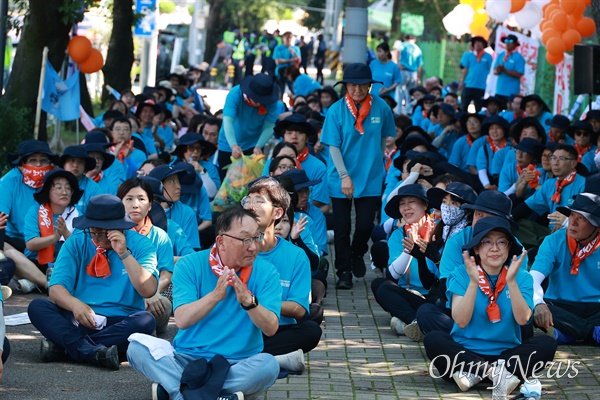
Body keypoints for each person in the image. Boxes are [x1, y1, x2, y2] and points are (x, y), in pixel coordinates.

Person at [126, 207, 281, 399]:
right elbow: (182, 320)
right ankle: (214, 394)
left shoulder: (267, 272)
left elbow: (271, 328)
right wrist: (215, 295)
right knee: (136, 348)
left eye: (256, 237)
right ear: (221, 241)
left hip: (238, 362)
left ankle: (179, 390)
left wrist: (249, 302)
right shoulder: (189, 264)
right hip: (186, 359)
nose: (253, 247)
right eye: (245, 239)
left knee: (269, 365)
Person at [424, 216, 557, 394]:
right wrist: (473, 282)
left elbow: (524, 319)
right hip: (464, 353)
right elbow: (461, 321)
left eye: (501, 242)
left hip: (507, 355)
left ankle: (476, 374)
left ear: (509, 248)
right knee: (434, 340)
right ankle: (495, 374)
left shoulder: (521, 276)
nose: (495, 248)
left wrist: (511, 283)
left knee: (546, 344)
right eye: (487, 242)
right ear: (477, 249)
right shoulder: (461, 273)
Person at [27, 194, 158, 370]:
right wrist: (75, 305)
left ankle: (67, 348)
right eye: (94, 231)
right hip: (79, 318)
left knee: (146, 321)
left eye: (106, 231)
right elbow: (56, 289)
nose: (99, 237)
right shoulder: (76, 242)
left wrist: (124, 253)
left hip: (120, 321)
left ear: (120, 227)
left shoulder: (141, 244)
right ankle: (96, 352)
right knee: (37, 307)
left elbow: (148, 290)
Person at [320, 63, 396, 289]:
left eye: (363, 85)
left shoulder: (381, 107)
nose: (357, 90)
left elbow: (386, 137)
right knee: (342, 227)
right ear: (345, 86)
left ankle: (357, 253)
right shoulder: (336, 110)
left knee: (364, 226)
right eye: (352, 85)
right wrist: (344, 176)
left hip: (371, 175)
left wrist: (380, 160)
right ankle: (344, 271)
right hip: (340, 175)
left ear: (370, 86)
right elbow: (332, 146)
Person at [243, 178, 321, 370]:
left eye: (259, 201)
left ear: (278, 212)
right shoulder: (236, 246)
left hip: (277, 329)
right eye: (248, 201)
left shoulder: (296, 255)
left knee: (311, 330)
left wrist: (253, 303)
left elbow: (298, 309)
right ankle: (273, 359)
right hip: (241, 326)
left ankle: (247, 358)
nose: (251, 207)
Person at [531, 193, 600, 345]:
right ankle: (592, 333)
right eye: (571, 215)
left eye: (581, 218)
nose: (572, 222)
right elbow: (532, 279)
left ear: (596, 224)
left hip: (596, 308)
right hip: (559, 307)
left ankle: (568, 335)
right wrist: (539, 304)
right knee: (529, 305)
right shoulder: (554, 240)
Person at [372, 184, 439, 341]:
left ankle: (415, 320)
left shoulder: (439, 230)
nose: (406, 207)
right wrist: (408, 251)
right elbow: (393, 274)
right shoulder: (398, 235)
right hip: (408, 296)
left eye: (412, 202)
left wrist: (424, 253)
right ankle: (415, 322)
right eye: (402, 203)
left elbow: (436, 279)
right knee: (380, 286)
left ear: (425, 205)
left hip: (434, 297)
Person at [117, 178, 174, 335]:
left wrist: (152, 293)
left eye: (141, 199)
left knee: (164, 305)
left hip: (151, 297)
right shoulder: (113, 233)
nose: (135, 204)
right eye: (129, 199)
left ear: (149, 205)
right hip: (119, 295)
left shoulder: (160, 236)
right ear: (120, 203)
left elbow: (166, 274)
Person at [0, 139, 58, 292]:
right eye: (33, 160)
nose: (38, 165)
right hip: (16, 241)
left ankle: (31, 281)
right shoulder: (9, 181)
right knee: (9, 253)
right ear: (21, 163)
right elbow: (1, 218)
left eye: (43, 160)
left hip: (48, 240)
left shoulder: (55, 180)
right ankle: (48, 285)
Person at [217, 73, 279, 181]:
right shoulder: (235, 94)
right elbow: (228, 121)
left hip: (254, 144)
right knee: (226, 182)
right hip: (229, 143)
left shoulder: (271, 102)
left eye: (262, 100)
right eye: (256, 99)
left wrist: (259, 145)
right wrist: (233, 145)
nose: (259, 103)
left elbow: (269, 127)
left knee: (250, 182)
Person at [513, 144, 586, 230]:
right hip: (551, 232)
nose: (555, 163)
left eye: (561, 159)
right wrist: (507, 218)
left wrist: (567, 222)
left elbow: (585, 218)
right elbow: (526, 207)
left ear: (573, 163)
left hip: (573, 231)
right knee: (516, 225)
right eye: (553, 158)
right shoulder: (550, 184)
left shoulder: (584, 184)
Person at [24, 169, 82, 272]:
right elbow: (31, 245)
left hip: (64, 264)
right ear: (47, 191)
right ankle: (45, 282)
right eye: (59, 188)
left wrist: (66, 233)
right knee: (12, 254)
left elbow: (81, 248)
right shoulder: (35, 211)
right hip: (34, 263)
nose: (64, 192)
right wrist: (55, 237)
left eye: (68, 188)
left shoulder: (77, 214)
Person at [273, 113, 329, 214]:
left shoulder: (318, 167)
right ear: (283, 137)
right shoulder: (272, 163)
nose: (294, 136)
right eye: (289, 133)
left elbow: (317, 202)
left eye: (299, 132)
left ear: (307, 138)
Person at [148, 165, 200, 250]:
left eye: (178, 181)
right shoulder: (143, 210)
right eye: (172, 182)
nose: (178, 186)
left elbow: (191, 254)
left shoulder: (187, 213)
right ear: (158, 186)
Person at [58, 145, 102, 213]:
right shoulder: (54, 184)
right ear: (64, 164)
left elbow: (97, 215)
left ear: (85, 166)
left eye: (80, 161)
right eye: (71, 161)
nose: (75, 165)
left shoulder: (94, 189)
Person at [459, 36, 493, 113]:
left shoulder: (488, 57)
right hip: (468, 85)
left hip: (481, 87)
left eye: (480, 42)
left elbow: (492, 70)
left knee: (479, 108)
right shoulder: (468, 55)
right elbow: (465, 69)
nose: (478, 44)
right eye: (476, 42)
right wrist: (462, 81)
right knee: (463, 107)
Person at [493, 34, 525, 104]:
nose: (507, 43)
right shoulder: (501, 55)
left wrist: (504, 70)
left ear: (515, 44)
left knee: (509, 111)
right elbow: (494, 71)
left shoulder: (519, 57)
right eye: (506, 41)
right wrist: (497, 71)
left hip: (511, 92)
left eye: (510, 41)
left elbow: (519, 74)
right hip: (499, 90)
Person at [399, 34, 423, 115]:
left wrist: (398, 65)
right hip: (413, 73)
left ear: (405, 39)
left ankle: (399, 112)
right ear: (414, 40)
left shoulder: (402, 45)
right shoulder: (418, 49)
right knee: (411, 94)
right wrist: (418, 76)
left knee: (400, 93)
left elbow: (397, 54)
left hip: (403, 71)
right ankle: (408, 112)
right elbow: (420, 65)